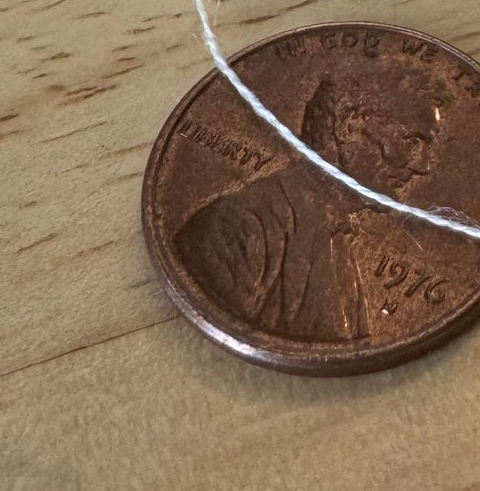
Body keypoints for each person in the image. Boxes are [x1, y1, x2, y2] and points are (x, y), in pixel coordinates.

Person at [175, 73, 443, 343]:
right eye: (411, 142)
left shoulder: (337, 236)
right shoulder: (236, 227)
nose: (423, 166)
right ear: (349, 126)